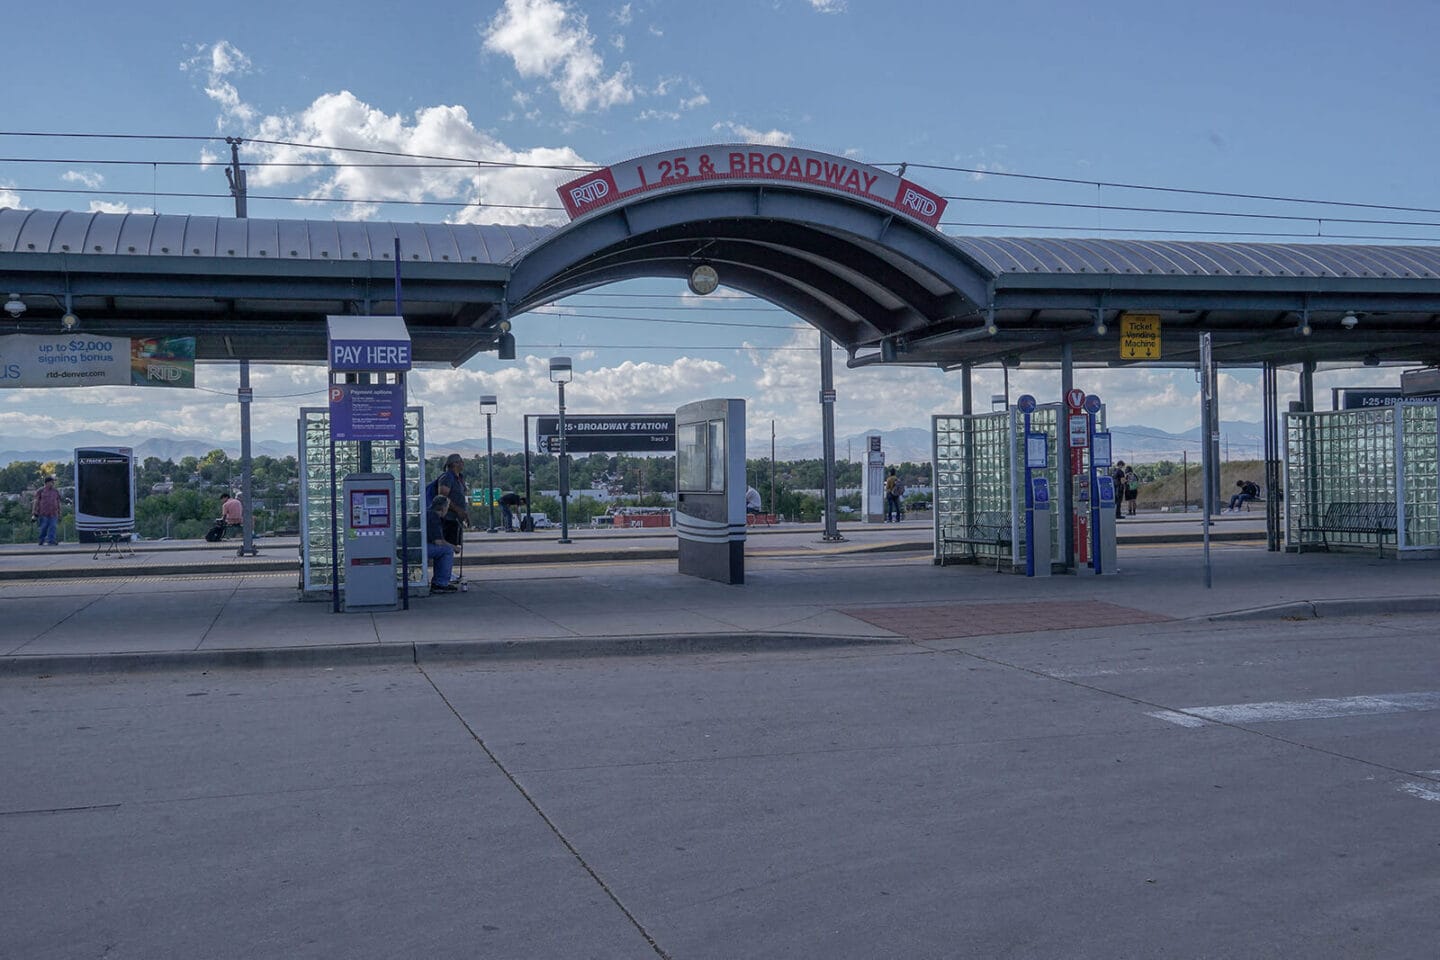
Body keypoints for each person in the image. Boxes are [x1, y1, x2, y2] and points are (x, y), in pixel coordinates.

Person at [434, 454, 469, 547]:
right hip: (448, 519)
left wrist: (463, 513)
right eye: (461, 461)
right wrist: (458, 510)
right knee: (448, 547)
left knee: (453, 546)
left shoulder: (459, 478)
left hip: (456, 519)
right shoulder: (447, 477)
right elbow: (442, 498)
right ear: (454, 464)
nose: (463, 463)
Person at [425, 495, 456, 592]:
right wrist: (455, 547)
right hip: (415, 550)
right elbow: (438, 541)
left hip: (410, 547)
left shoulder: (427, 513)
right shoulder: (434, 517)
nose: (448, 510)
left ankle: (438, 581)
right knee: (447, 550)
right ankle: (440, 583)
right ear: (443, 508)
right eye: (447, 507)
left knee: (441, 551)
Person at [31, 476, 62, 546]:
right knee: (43, 527)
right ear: (47, 482)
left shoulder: (56, 491)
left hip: (54, 513)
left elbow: (58, 502)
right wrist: (34, 511)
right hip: (43, 513)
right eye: (52, 482)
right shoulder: (40, 491)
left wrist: (60, 511)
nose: (53, 483)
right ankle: (41, 540)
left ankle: (51, 540)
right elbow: (36, 501)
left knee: (53, 526)